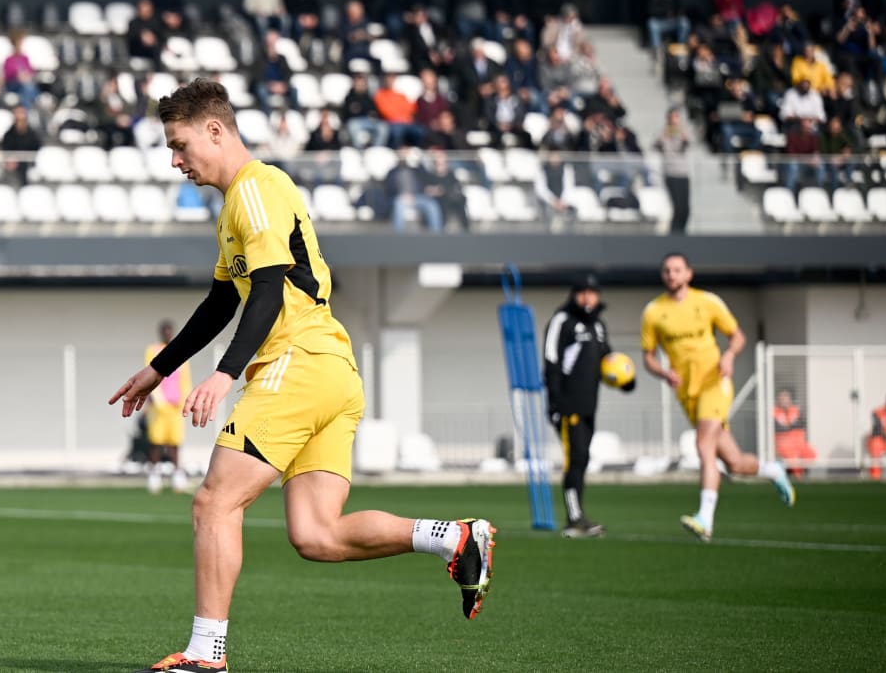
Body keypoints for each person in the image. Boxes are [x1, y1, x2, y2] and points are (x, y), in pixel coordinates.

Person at [109, 79, 495, 673]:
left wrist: (224, 373)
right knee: (316, 535)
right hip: (330, 371)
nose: (175, 160)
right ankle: (453, 537)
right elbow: (221, 300)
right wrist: (159, 369)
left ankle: (205, 655)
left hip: (297, 362)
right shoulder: (236, 207)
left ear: (216, 130)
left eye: (180, 144)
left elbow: (266, 290)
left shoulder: (256, 188)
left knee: (214, 502)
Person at [640, 253, 795, 542]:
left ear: (689, 273)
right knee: (734, 463)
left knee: (703, 445)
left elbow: (738, 336)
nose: (672, 275)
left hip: (715, 382)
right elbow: (648, 357)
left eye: (677, 270)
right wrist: (664, 373)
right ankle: (773, 470)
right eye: (667, 271)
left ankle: (705, 519)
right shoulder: (653, 312)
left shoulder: (708, 302)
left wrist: (729, 355)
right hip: (687, 393)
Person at [544, 274, 634, 537]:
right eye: (582, 292)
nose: (587, 297)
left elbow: (608, 361)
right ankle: (574, 519)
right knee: (576, 459)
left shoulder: (598, 325)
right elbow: (551, 363)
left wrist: (626, 381)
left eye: (592, 292)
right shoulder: (562, 321)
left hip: (588, 406)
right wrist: (555, 404)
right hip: (567, 406)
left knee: (582, 460)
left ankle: (578, 516)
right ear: (573, 294)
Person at [142, 320, 191, 494]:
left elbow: (185, 379)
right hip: (159, 406)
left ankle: (177, 475)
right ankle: (154, 475)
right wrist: (157, 399)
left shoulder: (181, 350)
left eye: (170, 331)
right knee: (156, 440)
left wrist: (185, 400)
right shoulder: (153, 350)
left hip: (176, 406)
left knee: (175, 441)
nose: (167, 334)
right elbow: (150, 374)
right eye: (165, 331)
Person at [654, 108, 690, 234]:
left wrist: (682, 133)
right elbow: (656, 146)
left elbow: (687, 145)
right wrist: (665, 136)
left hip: (683, 173)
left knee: (685, 209)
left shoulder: (683, 131)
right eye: (673, 117)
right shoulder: (663, 132)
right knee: (677, 207)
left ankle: (682, 232)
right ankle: (674, 233)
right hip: (671, 173)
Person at [772, 388, 815, 478]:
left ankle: (802, 476)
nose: (784, 400)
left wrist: (788, 426)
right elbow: (778, 427)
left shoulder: (796, 410)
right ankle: (797, 478)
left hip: (800, 445)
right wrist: (791, 425)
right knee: (792, 459)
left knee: (811, 454)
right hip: (784, 446)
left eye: (786, 397)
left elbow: (801, 423)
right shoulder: (774, 412)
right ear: (778, 399)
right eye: (782, 398)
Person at [867, 393, 886, 479]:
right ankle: (875, 476)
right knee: (875, 443)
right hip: (883, 442)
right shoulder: (878, 412)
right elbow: (877, 429)